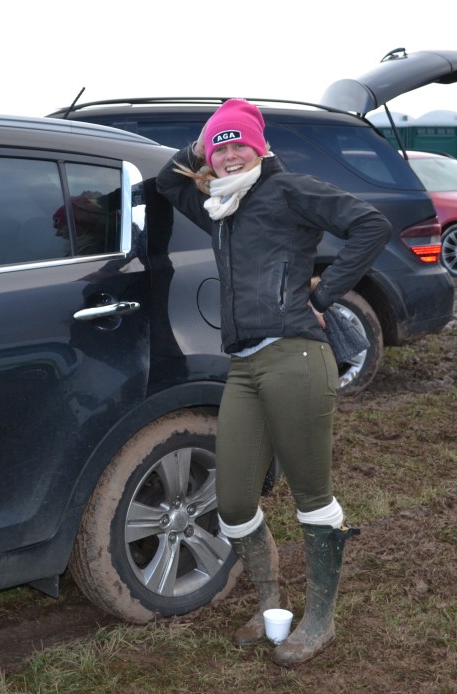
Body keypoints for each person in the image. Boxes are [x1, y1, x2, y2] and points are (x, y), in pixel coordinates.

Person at [156, 99, 391, 666]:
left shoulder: (288, 190)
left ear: (261, 148)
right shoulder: (217, 204)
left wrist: (323, 295)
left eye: (241, 144)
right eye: (221, 146)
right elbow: (168, 180)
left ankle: (320, 618)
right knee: (234, 501)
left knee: (312, 497)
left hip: (295, 356)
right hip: (244, 367)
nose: (231, 154)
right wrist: (201, 144)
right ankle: (270, 609)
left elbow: (371, 224)